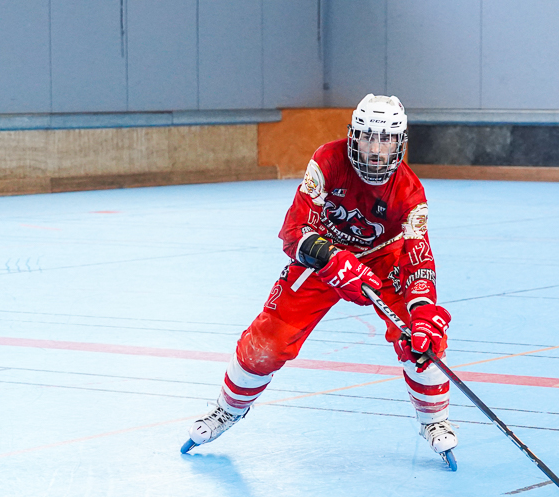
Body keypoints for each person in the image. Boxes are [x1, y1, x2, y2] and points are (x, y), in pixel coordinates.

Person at [182, 94, 456, 465]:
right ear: (353, 136)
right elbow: (293, 231)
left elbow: (418, 258)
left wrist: (423, 311)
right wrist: (333, 260)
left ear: (400, 141)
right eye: (368, 137)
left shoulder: (410, 193)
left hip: (382, 259)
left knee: (420, 339)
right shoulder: (327, 160)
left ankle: (434, 421)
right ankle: (227, 410)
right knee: (268, 341)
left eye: (387, 139)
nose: (376, 149)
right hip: (322, 256)